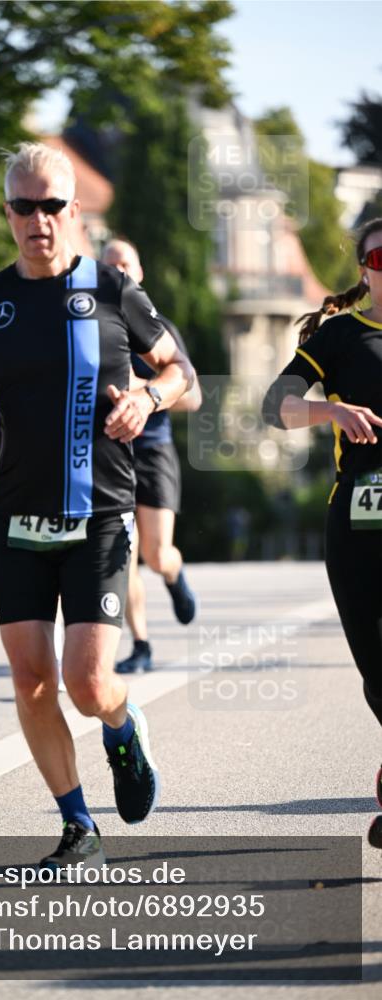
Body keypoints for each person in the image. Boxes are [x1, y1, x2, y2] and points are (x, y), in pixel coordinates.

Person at [0, 142, 194, 867]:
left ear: (72, 210)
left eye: (52, 205)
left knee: (85, 683)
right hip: (14, 515)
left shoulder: (111, 289)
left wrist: (147, 394)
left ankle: (120, 724)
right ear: (8, 212)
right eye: (24, 206)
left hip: (100, 512)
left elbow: (178, 369)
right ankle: (78, 825)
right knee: (30, 678)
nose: (38, 219)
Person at [262, 217, 382, 849]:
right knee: (374, 665)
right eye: (381, 257)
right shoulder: (337, 338)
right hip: (358, 525)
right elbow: (273, 407)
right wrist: (328, 408)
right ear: (365, 269)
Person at [101, 239, 201, 674]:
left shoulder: (159, 328)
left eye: (126, 264)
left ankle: (174, 576)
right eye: (110, 266)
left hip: (154, 448)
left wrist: (143, 394)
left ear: (139, 273)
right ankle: (141, 644)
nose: (119, 271)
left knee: (158, 555)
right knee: (124, 555)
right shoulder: (93, 328)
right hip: (112, 452)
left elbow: (192, 397)